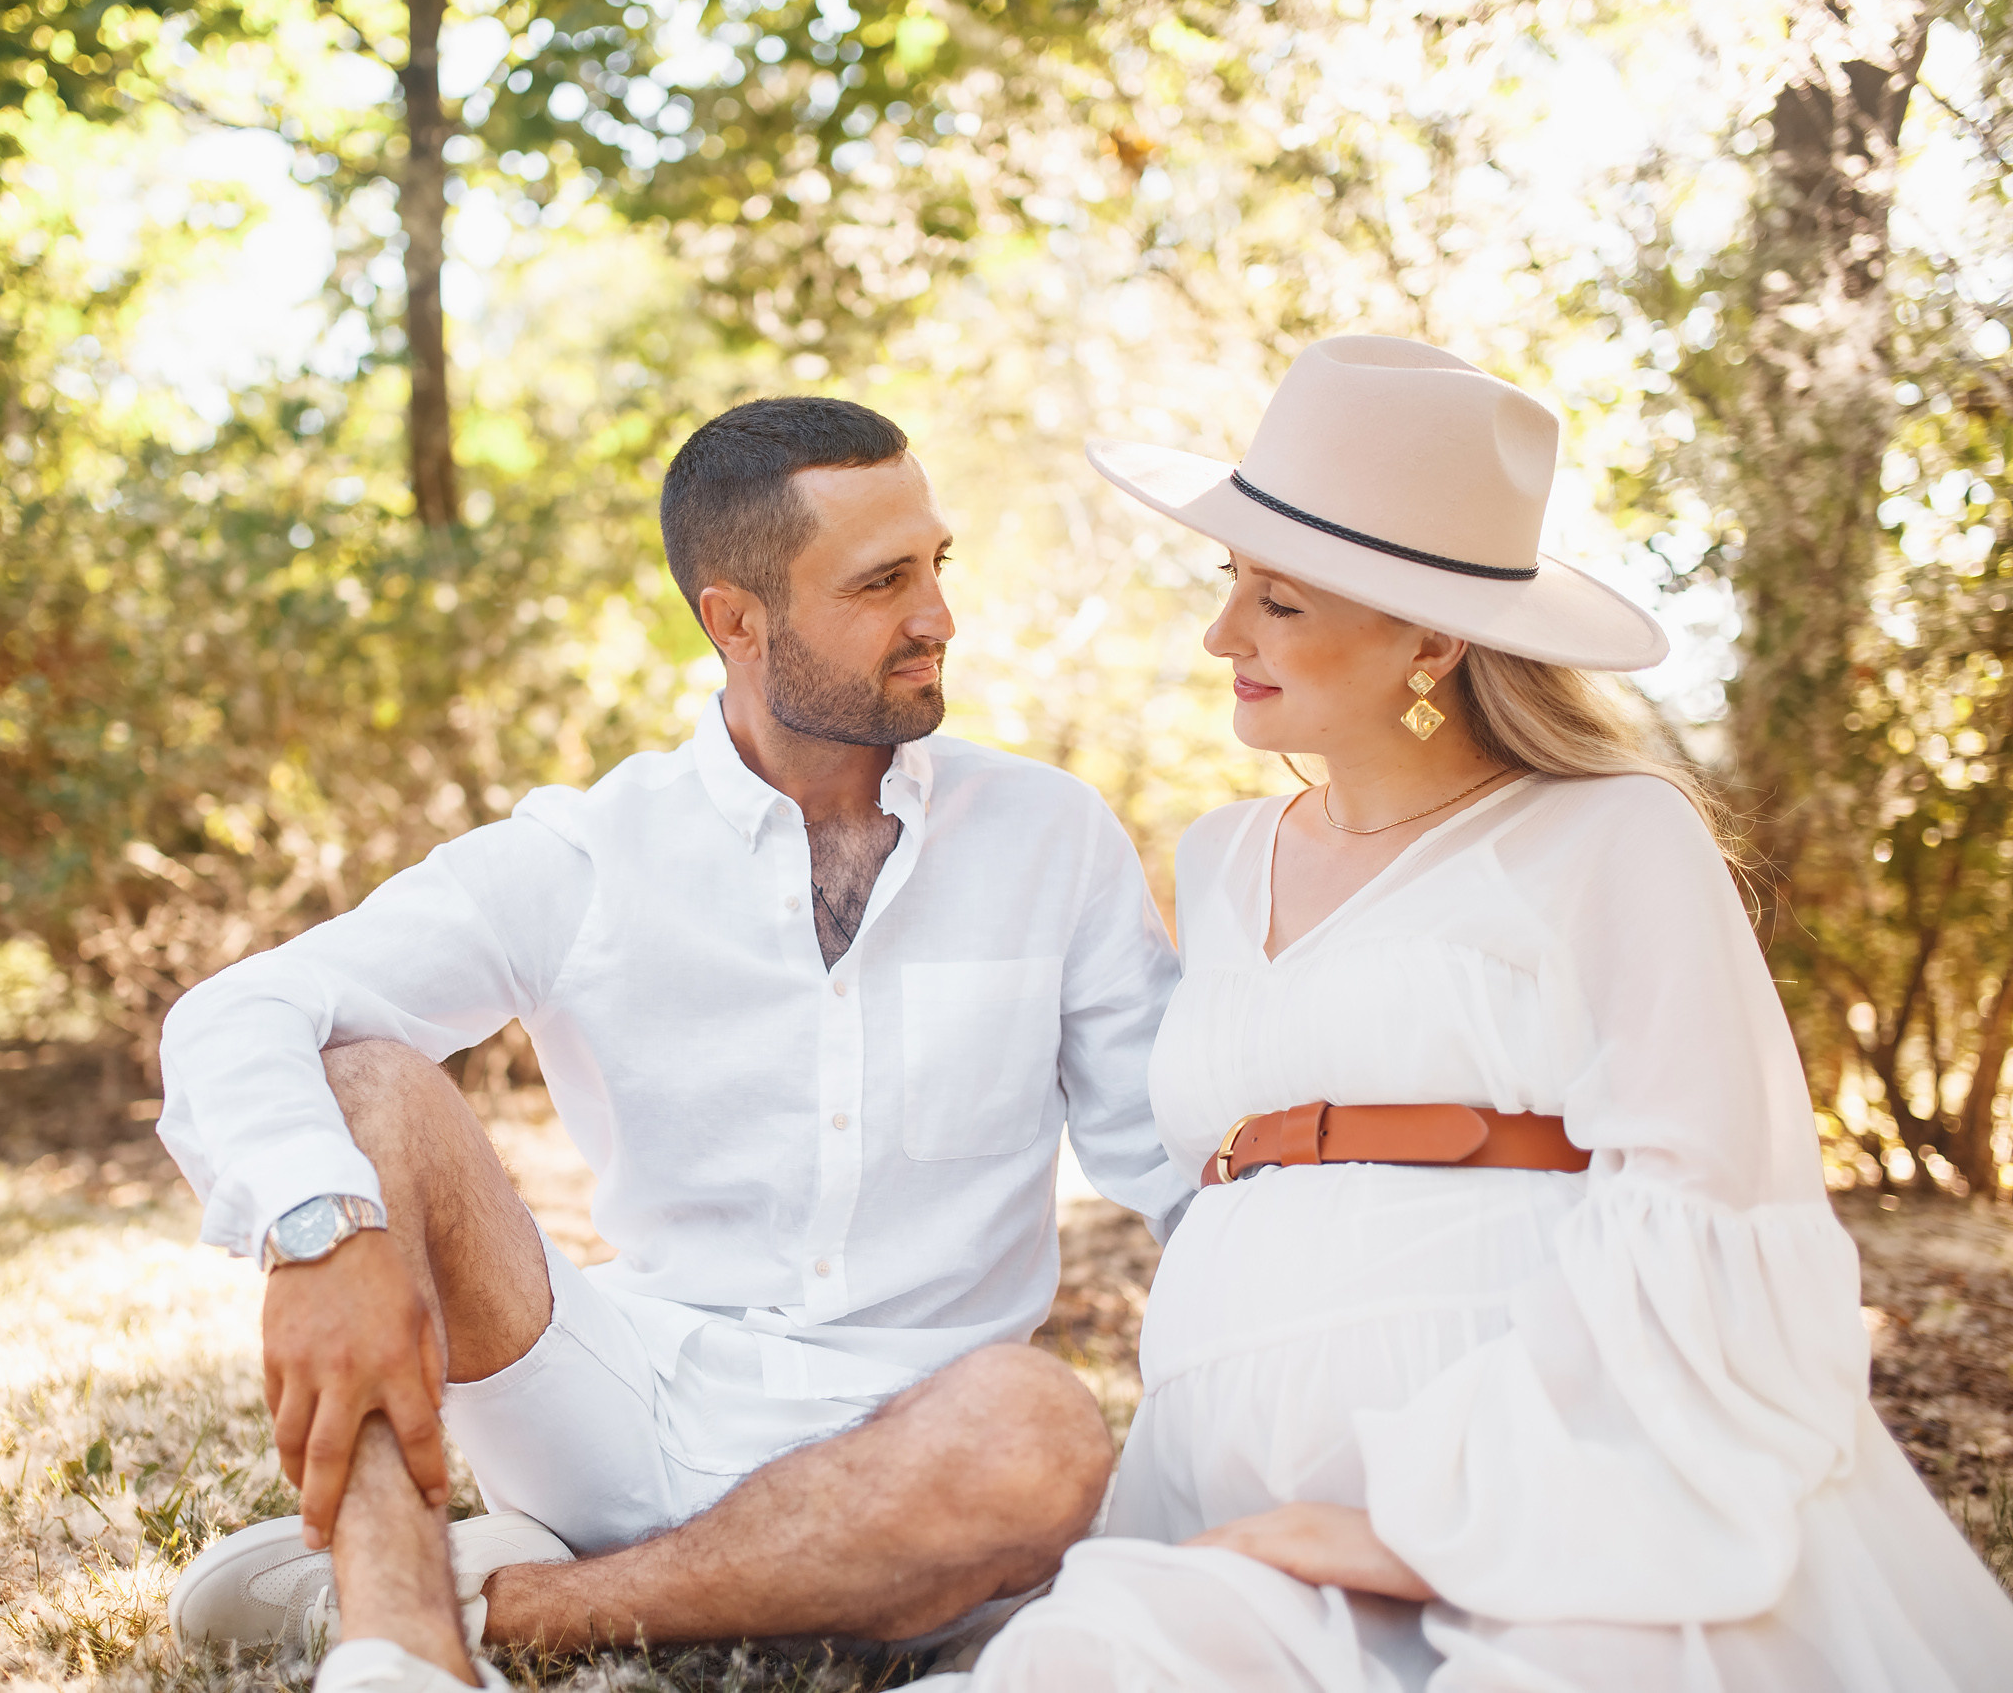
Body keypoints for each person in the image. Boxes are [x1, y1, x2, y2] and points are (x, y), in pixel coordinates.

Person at [921, 334, 2013, 1690]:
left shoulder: (1613, 834)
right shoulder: (1220, 858)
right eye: (1231, 586)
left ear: (1431, 641)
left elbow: (1718, 1198)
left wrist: (1441, 1517)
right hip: (1229, 1483)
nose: (1223, 636)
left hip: (1553, 1495)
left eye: (1281, 603)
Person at [153, 397, 1190, 1692]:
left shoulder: (1050, 834)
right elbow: (238, 1011)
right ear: (736, 621)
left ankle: (492, 1603)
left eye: (937, 565)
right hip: (619, 1405)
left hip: (921, 1434)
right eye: (881, 582)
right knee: (366, 1085)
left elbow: (1180, 1161)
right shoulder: (593, 850)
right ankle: (404, 1652)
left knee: (1043, 1433)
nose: (938, 617)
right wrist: (321, 1230)